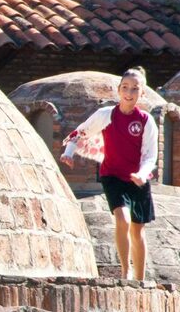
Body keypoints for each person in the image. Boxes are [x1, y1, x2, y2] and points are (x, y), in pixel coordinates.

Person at [59, 67, 158, 281]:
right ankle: (125, 269)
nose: (129, 92)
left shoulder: (146, 121)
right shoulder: (106, 115)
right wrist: (69, 152)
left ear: (142, 93)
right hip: (112, 174)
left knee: (137, 229)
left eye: (134, 89)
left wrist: (142, 174)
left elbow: (151, 155)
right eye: (125, 87)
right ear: (118, 90)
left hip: (138, 179)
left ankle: (139, 278)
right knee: (122, 218)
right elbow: (80, 132)